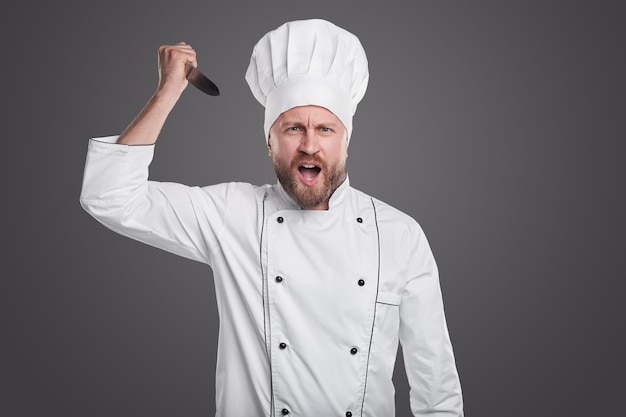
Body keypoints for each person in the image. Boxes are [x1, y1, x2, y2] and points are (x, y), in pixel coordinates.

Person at [80, 19, 463, 417]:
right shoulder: (233, 215)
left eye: (326, 129)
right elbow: (108, 195)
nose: (310, 145)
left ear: (346, 141)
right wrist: (167, 91)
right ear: (269, 142)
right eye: (293, 128)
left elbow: (436, 389)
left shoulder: (400, 235)